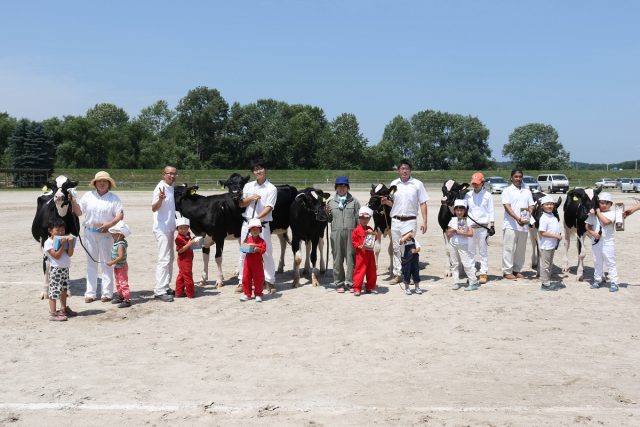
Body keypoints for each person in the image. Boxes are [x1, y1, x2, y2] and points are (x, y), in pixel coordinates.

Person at [71, 171, 124, 303]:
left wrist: (110, 224)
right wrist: (73, 201)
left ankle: (107, 293)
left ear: (108, 184)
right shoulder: (88, 196)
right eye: (99, 181)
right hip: (90, 233)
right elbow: (78, 212)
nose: (102, 183)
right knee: (91, 263)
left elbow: (120, 215)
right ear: (95, 183)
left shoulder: (114, 198)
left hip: (107, 234)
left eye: (104, 181)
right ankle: (90, 293)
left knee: (107, 262)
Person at [381, 159, 429, 284]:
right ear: (398, 170)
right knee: (396, 248)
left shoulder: (417, 184)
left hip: (410, 220)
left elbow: (423, 203)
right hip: (396, 220)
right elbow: (394, 203)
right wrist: (386, 202)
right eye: (402, 169)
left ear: (410, 170)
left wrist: (425, 221)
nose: (404, 171)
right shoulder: (394, 184)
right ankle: (397, 274)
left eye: (407, 168)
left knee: (409, 247)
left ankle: (411, 274)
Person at [238, 159, 277, 293]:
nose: (258, 171)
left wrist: (256, 220)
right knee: (244, 251)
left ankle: (269, 281)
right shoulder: (248, 186)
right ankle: (242, 281)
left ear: (265, 170)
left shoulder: (271, 188)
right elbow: (241, 204)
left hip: (262, 224)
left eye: (260, 168)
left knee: (266, 252)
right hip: (247, 223)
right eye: (255, 169)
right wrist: (251, 198)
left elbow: (269, 207)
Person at [326, 176, 360, 293]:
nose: (342, 188)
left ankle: (351, 283)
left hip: (352, 233)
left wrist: (361, 234)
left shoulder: (354, 201)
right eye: (339, 186)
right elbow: (328, 219)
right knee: (337, 258)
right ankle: (339, 283)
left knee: (351, 258)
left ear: (348, 188)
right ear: (336, 188)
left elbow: (358, 219)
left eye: (344, 186)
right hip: (336, 233)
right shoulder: (330, 202)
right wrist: (326, 212)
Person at [501, 169, 534, 280]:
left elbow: (531, 205)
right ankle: (507, 271)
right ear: (511, 178)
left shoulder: (527, 191)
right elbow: (507, 206)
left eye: (520, 176)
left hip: (523, 225)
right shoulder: (507, 190)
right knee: (509, 248)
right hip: (510, 224)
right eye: (516, 176)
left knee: (521, 249)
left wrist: (528, 216)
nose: (518, 179)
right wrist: (517, 218)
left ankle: (516, 270)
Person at [151, 165, 177, 302]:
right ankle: (159, 290)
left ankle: (166, 286)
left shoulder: (171, 187)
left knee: (170, 258)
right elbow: (153, 208)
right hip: (161, 228)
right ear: (164, 174)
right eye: (169, 173)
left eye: (174, 174)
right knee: (164, 258)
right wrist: (160, 199)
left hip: (170, 227)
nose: (172, 176)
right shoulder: (160, 188)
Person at [43, 218, 77, 321]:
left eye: (62, 230)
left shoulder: (63, 239)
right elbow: (56, 256)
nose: (61, 232)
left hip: (65, 269)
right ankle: (53, 314)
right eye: (57, 230)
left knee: (64, 290)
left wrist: (70, 243)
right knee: (54, 292)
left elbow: (70, 254)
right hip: (56, 270)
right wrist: (62, 245)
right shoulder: (48, 242)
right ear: (50, 230)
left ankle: (63, 309)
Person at [464, 172, 495, 284]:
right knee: (470, 251)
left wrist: (492, 225)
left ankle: (483, 272)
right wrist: (462, 226)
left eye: (477, 183)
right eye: (473, 183)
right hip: (470, 226)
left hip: (483, 227)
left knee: (483, 251)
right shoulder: (467, 195)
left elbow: (491, 211)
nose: (475, 185)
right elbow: (464, 211)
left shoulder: (488, 195)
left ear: (482, 183)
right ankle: (471, 273)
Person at [586, 192, 619, 292]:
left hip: (608, 242)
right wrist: (592, 233)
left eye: (606, 203)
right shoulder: (592, 215)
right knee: (597, 261)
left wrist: (598, 212)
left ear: (611, 204)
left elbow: (606, 222)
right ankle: (597, 280)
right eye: (601, 203)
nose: (604, 205)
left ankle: (614, 282)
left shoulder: (613, 213)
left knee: (610, 262)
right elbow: (587, 226)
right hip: (596, 242)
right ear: (598, 203)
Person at [447, 200, 480, 291]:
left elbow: (471, 234)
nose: (459, 212)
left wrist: (461, 232)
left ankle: (473, 282)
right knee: (454, 264)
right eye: (457, 210)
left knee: (466, 263)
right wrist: (452, 231)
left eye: (461, 210)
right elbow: (448, 233)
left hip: (463, 245)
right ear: (454, 211)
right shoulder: (452, 220)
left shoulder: (468, 221)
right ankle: (456, 282)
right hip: (453, 244)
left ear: (464, 211)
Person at [537, 195, 563, 291]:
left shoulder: (552, 216)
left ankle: (547, 281)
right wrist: (556, 236)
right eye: (547, 204)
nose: (550, 206)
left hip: (552, 244)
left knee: (549, 264)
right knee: (546, 265)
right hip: (546, 245)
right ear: (542, 206)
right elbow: (542, 232)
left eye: (551, 204)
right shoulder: (544, 218)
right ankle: (545, 283)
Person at [351, 206, 377, 296]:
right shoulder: (356, 230)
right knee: (360, 271)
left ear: (369, 219)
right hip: (361, 254)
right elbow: (354, 242)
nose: (364, 220)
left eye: (367, 218)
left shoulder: (370, 228)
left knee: (372, 270)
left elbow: (375, 238)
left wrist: (372, 233)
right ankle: (357, 288)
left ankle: (370, 287)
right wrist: (359, 246)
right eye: (362, 218)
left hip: (370, 254)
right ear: (359, 219)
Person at [240, 218, 268, 302]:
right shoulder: (247, 240)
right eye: (253, 229)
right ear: (250, 230)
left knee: (258, 279)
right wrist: (245, 247)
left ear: (260, 230)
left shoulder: (262, 241)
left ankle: (258, 294)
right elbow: (242, 249)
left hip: (257, 264)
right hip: (247, 263)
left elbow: (263, 250)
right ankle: (247, 294)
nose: (255, 231)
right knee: (246, 278)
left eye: (257, 229)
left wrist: (258, 249)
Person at [106, 220, 132, 307]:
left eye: (114, 234)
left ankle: (127, 299)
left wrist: (111, 262)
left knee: (123, 282)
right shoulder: (117, 242)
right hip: (117, 266)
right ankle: (121, 296)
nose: (112, 236)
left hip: (121, 267)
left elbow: (120, 257)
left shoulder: (120, 244)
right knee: (118, 282)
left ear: (120, 235)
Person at [175, 217, 197, 298]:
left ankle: (179, 292)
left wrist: (194, 242)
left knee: (181, 275)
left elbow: (190, 243)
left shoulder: (187, 235)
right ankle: (190, 293)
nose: (183, 230)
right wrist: (189, 244)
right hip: (183, 260)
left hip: (188, 258)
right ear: (177, 229)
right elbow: (179, 250)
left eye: (185, 228)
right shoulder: (178, 238)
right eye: (181, 228)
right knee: (188, 275)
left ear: (188, 228)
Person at [399, 226, 422, 295]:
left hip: (414, 261)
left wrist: (415, 250)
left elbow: (419, 248)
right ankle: (407, 288)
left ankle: (417, 287)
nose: (410, 234)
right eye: (408, 233)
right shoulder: (403, 242)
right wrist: (408, 234)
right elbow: (401, 241)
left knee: (416, 273)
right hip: (406, 262)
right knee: (407, 274)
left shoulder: (414, 240)